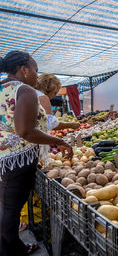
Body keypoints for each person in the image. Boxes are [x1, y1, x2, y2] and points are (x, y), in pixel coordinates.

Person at [0, 51, 72, 256]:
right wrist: (59, 140)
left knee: (6, 208)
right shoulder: (24, 90)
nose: (36, 76)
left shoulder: (2, 88)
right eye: (35, 71)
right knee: (9, 213)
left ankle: (13, 247)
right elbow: (25, 131)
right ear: (24, 70)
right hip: (17, 161)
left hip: (3, 159)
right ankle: (11, 249)